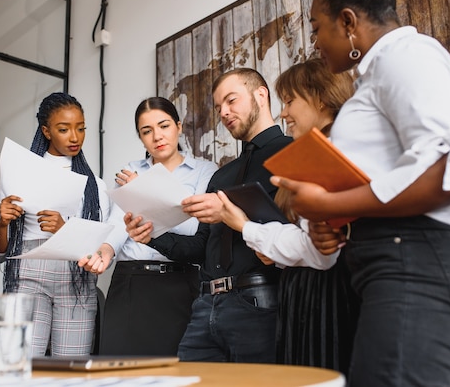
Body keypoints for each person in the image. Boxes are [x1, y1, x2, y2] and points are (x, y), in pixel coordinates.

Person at [270, 0, 450, 385]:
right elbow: (395, 179)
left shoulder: (409, 55)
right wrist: (340, 226)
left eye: (316, 29)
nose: (314, 42)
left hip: (420, 267)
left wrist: (330, 206)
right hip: (395, 267)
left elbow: (449, 170)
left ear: (348, 22)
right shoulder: (378, 74)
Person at [125, 68, 292, 363]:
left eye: (231, 101)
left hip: (261, 301)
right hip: (205, 306)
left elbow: (301, 236)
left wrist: (233, 216)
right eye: (218, 107)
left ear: (261, 95)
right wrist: (151, 234)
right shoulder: (223, 175)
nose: (224, 113)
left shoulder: (294, 154)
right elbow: (201, 249)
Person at [216, 58, 360, 376]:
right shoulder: (316, 151)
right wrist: (277, 255)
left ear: (320, 97)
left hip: (326, 298)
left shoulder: (331, 154)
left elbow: (318, 251)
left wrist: (246, 227)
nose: (284, 113)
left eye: (290, 101)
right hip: (303, 294)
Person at [0, 92, 127, 357]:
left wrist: (64, 228)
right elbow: (1, 253)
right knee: (18, 363)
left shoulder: (95, 185)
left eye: (81, 128)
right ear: (46, 131)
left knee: (71, 369)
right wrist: (2, 222)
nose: (75, 137)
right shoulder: (20, 172)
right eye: (64, 129)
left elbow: (96, 250)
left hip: (76, 280)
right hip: (28, 273)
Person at [100, 97, 218, 356]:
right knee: (121, 373)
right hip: (131, 282)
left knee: (177, 373)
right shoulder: (131, 170)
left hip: (180, 283)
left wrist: (145, 193)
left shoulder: (205, 171)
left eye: (164, 126)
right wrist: (105, 250)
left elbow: (192, 230)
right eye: (147, 131)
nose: (157, 136)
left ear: (178, 126)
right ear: (140, 138)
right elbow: (119, 224)